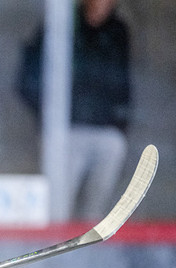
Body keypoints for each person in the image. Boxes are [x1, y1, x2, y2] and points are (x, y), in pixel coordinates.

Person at [18, 0, 131, 221]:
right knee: (58, 210)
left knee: (94, 213)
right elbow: (28, 78)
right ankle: (57, 251)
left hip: (105, 131)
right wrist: (48, 119)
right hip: (66, 131)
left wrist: (119, 123)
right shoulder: (61, 23)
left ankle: (88, 249)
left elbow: (123, 83)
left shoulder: (117, 31)